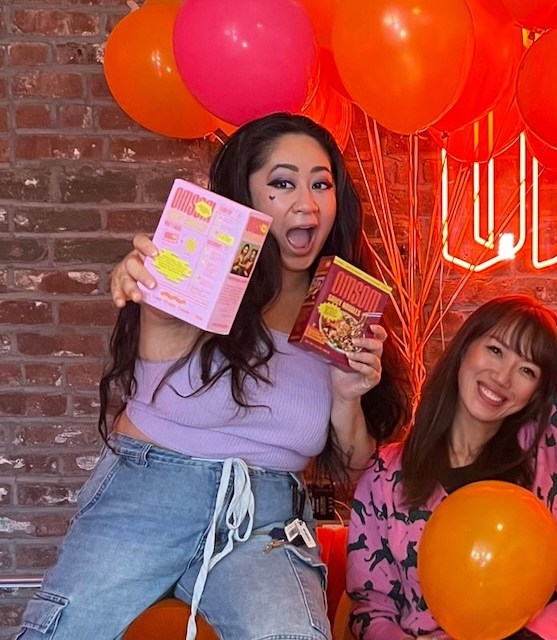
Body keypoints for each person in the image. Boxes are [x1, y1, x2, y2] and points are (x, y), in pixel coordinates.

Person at [16, 113, 408, 640]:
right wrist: (145, 284)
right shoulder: (199, 279)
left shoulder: (342, 311)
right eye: (282, 183)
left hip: (264, 522)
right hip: (149, 496)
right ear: (245, 194)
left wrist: (347, 394)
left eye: (321, 184)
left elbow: (356, 464)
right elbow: (158, 323)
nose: (307, 204)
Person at [345, 118, 557, 640]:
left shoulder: (545, 452)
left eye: (527, 370)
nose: (502, 376)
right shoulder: (388, 473)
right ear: (464, 352)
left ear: (537, 392)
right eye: (495, 350)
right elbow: (373, 606)